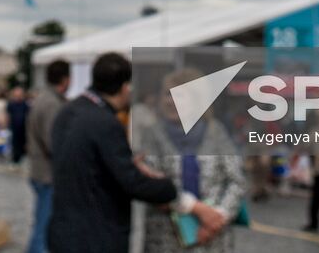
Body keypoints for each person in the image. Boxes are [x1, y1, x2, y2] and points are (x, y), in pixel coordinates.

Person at [48, 52, 222, 253]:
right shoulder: (105, 123)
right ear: (125, 87)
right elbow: (132, 182)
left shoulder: (68, 112)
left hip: (64, 231)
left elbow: (88, 164)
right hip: (95, 237)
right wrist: (168, 188)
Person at [134, 68, 247, 252]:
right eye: (166, 95)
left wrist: (217, 218)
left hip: (213, 238)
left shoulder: (215, 132)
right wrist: (196, 208)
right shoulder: (152, 134)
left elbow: (236, 180)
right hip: (166, 238)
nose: (170, 101)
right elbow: (152, 184)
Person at [26, 60, 71, 253]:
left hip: (40, 171)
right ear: (66, 79)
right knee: (43, 230)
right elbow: (54, 142)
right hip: (47, 174)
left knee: (41, 226)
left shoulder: (43, 99)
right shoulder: (51, 103)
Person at [9, 85, 31, 163]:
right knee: (14, 144)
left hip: (23, 129)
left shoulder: (25, 105)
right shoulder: (11, 104)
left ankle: (20, 157)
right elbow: (7, 114)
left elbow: (29, 115)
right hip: (13, 128)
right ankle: (15, 158)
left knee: (22, 144)